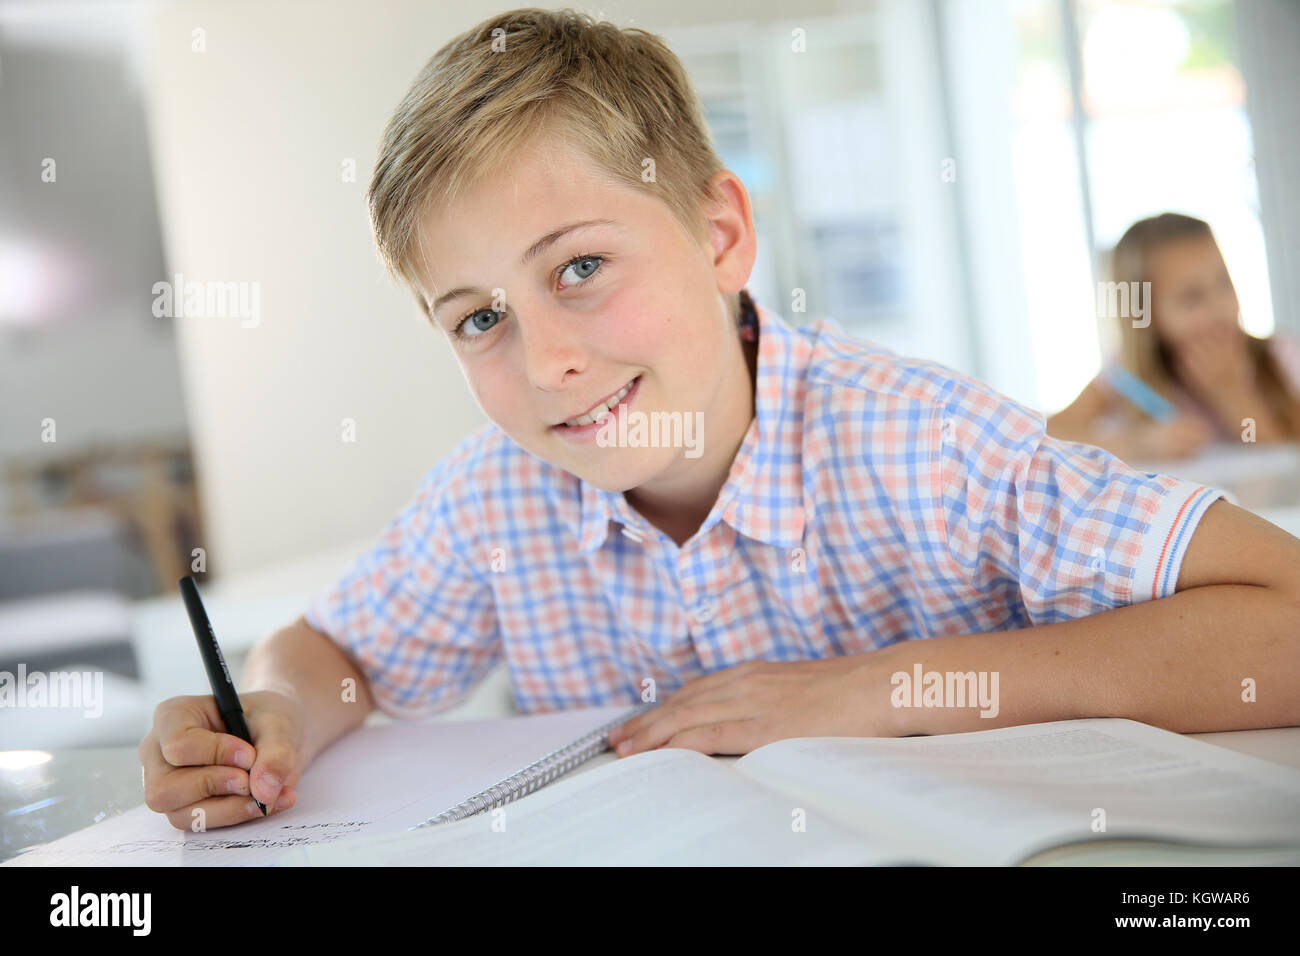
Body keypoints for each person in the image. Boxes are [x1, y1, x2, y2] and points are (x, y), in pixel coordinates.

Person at [138, 9, 1300, 831]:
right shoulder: (493, 495)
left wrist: (871, 686)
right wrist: (274, 713)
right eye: (477, 317)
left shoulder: (924, 442)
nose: (547, 359)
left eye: (581, 264)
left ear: (722, 238)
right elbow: (329, 648)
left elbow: (1283, 620)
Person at [1048, 212, 1300, 462]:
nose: (1219, 307)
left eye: (1224, 282)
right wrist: (1138, 444)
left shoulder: (1280, 355)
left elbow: (1283, 454)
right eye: (1192, 298)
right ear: (1145, 314)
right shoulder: (1126, 378)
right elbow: (1048, 436)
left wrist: (1232, 394)